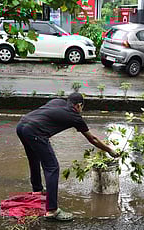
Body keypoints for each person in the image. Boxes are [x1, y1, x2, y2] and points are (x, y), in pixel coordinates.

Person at [16, 93, 119, 221]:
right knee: (52, 168)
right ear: (79, 105)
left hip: (21, 125)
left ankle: (37, 191)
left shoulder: (57, 102)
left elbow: (45, 116)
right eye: (82, 108)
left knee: (34, 158)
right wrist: (110, 150)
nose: (81, 110)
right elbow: (92, 139)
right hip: (35, 132)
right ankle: (52, 210)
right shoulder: (75, 116)